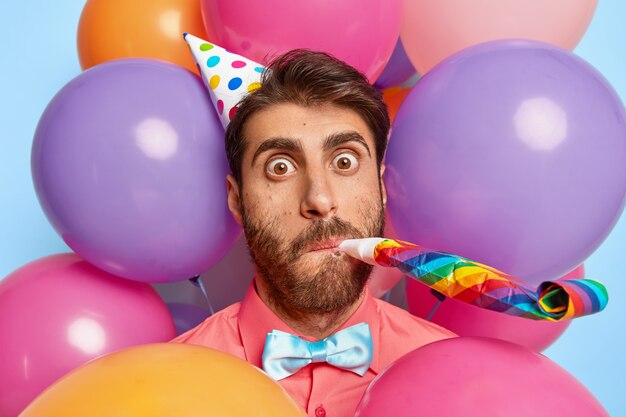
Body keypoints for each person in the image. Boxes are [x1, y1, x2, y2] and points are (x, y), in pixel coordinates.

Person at [171, 49, 455, 417]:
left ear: (382, 189)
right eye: (280, 167)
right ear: (237, 200)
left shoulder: (457, 376)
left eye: (345, 162)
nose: (319, 200)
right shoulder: (169, 387)